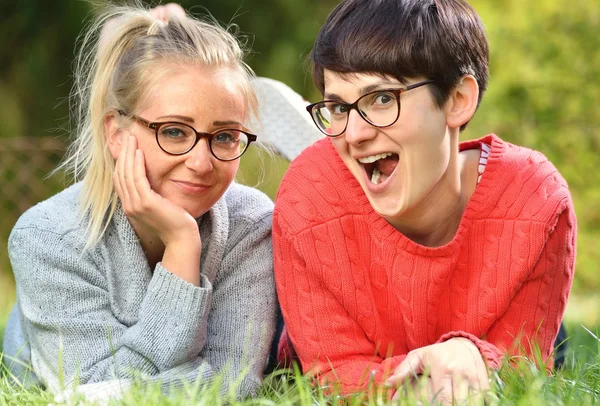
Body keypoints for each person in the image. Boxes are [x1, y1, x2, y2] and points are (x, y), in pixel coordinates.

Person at [272, 0, 576, 403]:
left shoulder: (537, 203)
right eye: (339, 107)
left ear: (457, 100)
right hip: (332, 281)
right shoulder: (308, 195)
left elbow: (520, 369)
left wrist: (473, 357)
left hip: (493, 306)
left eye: (381, 98)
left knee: (556, 348)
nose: (354, 134)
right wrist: (431, 384)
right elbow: (333, 376)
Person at [3, 3, 276, 399]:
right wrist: (183, 250)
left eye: (225, 136)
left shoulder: (250, 223)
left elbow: (235, 381)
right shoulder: (47, 237)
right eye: (175, 132)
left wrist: (181, 241)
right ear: (116, 133)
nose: (201, 162)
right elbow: (86, 388)